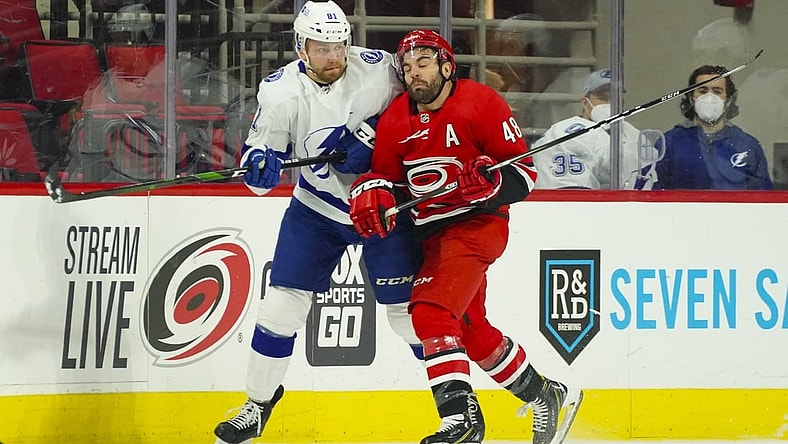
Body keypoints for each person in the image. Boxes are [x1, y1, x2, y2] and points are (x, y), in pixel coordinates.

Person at [347, 30, 582, 444]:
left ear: (445, 65)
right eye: (406, 66)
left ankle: (460, 419)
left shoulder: (481, 103)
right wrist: (373, 193)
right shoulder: (396, 119)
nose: (413, 72)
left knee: (429, 314)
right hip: (430, 234)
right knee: (471, 331)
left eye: (422, 63)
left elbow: (525, 175)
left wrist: (492, 184)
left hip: (478, 225)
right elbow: (387, 180)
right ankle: (545, 394)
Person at [211, 2, 423, 443]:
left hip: (383, 207)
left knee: (408, 317)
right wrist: (259, 167)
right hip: (317, 210)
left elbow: (427, 105)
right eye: (321, 47)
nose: (333, 57)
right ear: (300, 47)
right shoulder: (279, 92)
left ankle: (457, 405)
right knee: (280, 309)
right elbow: (258, 159)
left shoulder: (380, 69)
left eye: (339, 46)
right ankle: (256, 406)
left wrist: (376, 132)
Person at [656, 64, 773, 190]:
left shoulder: (747, 145)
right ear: (691, 98)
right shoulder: (669, 143)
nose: (710, 98)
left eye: (717, 91)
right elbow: (651, 195)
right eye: (702, 91)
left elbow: (764, 199)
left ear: (728, 100)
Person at [531, 69, 642, 189]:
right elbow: (572, 196)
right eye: (602, 98)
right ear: (585, 102)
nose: (610, 104)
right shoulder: (563, 134)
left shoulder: (633, 134)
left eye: (616, 98)